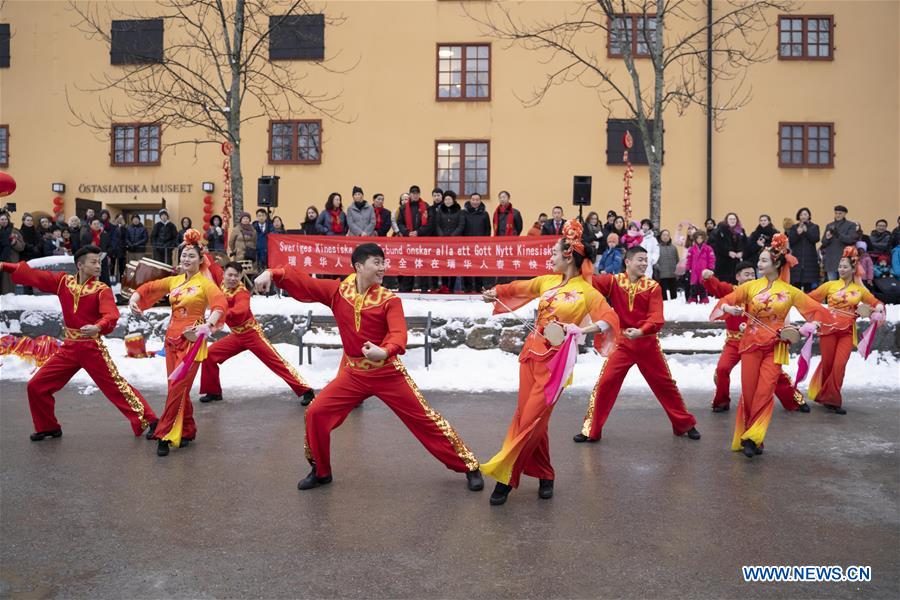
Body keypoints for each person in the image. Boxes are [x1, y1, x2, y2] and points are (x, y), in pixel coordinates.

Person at [254, 242, 484, 492]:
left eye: (383, 262)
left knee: (425, 420)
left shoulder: (389, 300)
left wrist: (384, 351)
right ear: (359, 266)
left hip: (387, 372)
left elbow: (398, 334)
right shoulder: (338, 292)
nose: (382, 267)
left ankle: (469, 466)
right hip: (353, 373)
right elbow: (305, 283)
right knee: (316, 413)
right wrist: (273, 273)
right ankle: (320, 471)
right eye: (377, 262)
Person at [481, 219, 619, 506]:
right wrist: (497, 292)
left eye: (554, 253)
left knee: (531, 420)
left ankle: (506, 476)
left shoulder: (587, 293)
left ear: (568, 256)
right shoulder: (548, 281)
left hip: (556, 365)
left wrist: (581, 330)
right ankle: (545, 473)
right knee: (530, 419)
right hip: (530, 356)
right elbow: (520, 287)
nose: (550, 258)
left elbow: (610, 320)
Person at [2, 246, 158, 440]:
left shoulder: (102, 290)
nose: (98, 266)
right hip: (69, 347)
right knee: (36, 385)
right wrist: (5, 265)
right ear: (80, 265)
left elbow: (111, 314)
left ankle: (151, 421)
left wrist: (98, 327)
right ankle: (47, 426)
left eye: (99, 262)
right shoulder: (63, 283)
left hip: (91, 348)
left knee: (115, 386)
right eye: (93, 262)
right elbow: (35, 276)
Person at [711, 234, 831, 458]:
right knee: (749, 392)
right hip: (749, 345)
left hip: (776, 346)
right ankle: (749, 434)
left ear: (776, 263)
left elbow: (817, 312)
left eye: (764, 261)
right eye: (759, 260)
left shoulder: (790, 291)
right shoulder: (750, 287)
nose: (759, 264)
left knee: (765, 392)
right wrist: (729, 310)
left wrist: (807, 327)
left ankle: (754, 438)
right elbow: (725, 301)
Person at [575, 246, 701, 443]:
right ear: (628, 261)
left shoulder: (652, 287)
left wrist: (642, 331)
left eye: (646, 260)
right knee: (605, 383)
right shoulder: (614, 281)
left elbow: (657, 317)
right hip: (623, 344)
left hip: (647, 345)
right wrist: (581, 255)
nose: (644, 263)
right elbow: (587, 281)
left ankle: (684, 424)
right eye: (640, 259)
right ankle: (590, 429)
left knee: (665, 385)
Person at [130, 231, 227, 456]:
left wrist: (207, 326)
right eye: (183, 255)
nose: (186, 259)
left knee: (177, 387)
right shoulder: (173, 280)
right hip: (171, 340)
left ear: (201, 260)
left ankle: (165, 433)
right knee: (176, 388)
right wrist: (136, 298)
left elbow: (220, 303)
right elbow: (150, 288)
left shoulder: (204, 284)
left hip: (193, 341)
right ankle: (188, 429)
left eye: (191, 256)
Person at [199, 261, 315, 405]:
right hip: (236, 336)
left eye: (236, 276)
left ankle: (306, 390)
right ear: (224, 275)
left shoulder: (242, 293)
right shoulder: (221, 282)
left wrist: (220, 313)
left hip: (252, 334)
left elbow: (240, 310)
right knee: (209, 355)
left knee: (277, 363)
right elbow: (211, 265)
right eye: (230, 275)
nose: (232, 278)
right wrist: (199, 249)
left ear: (241, 276)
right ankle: (213, 392)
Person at [702, 262, 810, 414]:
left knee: (774, 374)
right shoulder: (731, 291)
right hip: (734, 343)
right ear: (737, 277)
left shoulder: (763, 293)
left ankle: (793, 400)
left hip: (757, 342)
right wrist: (708, 278)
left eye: (753, 274)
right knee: (722, 368)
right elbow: (716, 286)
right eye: (747, 275)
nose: (751, 278)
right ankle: (721, 401)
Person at [806, 247, 885, 414]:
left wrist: (877, 309)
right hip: (828, 329)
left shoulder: (859, 290)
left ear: (853, 269)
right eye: (840, 266)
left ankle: (833, 400)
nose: (841, 269)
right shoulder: (829, 285)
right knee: (828, 364)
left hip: (846, 331)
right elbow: (808, 299)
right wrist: (819, 314)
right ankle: (827, 397)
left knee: (840, 364)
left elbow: (875, 301)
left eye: (845, 266)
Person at [396, 185, 431, 292]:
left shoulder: (426, 206)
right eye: (413, 193)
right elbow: (400, 222)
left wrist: (418, 232)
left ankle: (424, 287)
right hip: (408, 240)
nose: (415, 195)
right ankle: (407, 286)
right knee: (409, 263)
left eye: (417, 193)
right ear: (410, 194)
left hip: (422, 240)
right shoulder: (403, 208)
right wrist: (407, 232)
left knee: (423, 263)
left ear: (419, 194)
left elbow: (430, 223)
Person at [462, 192, 491, 293]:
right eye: (473, 199)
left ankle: (479, 286)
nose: (475, 202)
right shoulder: (464, 213)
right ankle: (468, 287)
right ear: (470, 201)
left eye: (477, 200)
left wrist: (486, 243)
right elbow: (462, 227)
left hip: (480, 246)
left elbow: (488, 229)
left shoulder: (484, 214)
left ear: (480, 201)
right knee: (467, 265)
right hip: (467, 245)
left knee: (480, 266)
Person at [787, 207, 821, 292]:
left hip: (810, 259)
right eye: (801, 214)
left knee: (808, 285)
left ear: (809, 216)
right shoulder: (794, 227)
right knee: (796, 284)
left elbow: (816, 239)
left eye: (805, 214)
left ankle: (807, 303)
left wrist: (806, 232)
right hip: (797, 259)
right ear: (798, 216)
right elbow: (791, 241)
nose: (803, 216)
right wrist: (797, 234)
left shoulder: (814, 227)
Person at [820, 204, 857, 281]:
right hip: (830, 258)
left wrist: (838, 234)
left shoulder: (851, 225)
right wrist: (827, 238)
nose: (837, 215)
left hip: (844, 258)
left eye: (840, 213)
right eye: (836, 213)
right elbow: (823, 242)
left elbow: (851, 240)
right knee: (832, 283)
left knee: (843, 284)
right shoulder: (829, 225)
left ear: (844, 214)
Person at [710, 212, 746, 283]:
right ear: (727, 220)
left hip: (736, 262)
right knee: (724, 283)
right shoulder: (720, 231)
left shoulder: (741, 231)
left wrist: (742, 252)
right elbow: (717, 246)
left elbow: (745, 244)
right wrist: (728, 252)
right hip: (724, 263)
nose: (732, 221)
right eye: (730, 219)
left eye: (734, 219)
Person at [685, 230, 715, 303]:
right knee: (694, 285)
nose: (699, 240)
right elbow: (689, 259)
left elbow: (712, 259)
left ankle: (703, 298)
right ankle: (693, 298)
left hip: (704, 270)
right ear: (695, 239)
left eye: (701, 238)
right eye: (697, 238)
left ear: (704, 239)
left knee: (703, 284)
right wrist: (687, 268)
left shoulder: (708, 248)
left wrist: (711, 268)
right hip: (694, 270)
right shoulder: (691, 249)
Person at [81, 217, 111, 285]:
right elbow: (83, 247)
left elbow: (110, 246)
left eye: (98, 224)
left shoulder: (104, 234)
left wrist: (107, 252)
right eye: (94, 224)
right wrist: (91, 248)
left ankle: (105, 292)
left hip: (103, 258)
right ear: (90, 225)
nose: (97, 225)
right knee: (92, 277)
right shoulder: (86, 235)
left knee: (104, 278)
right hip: (91, 259)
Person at [0, 210, 24, 294]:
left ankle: (9, 304)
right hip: (1, 260)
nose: (4, 221)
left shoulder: (14, 231)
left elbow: (21, 247)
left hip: (10, 261)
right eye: (2, 219)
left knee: (9, 287)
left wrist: (14, 242)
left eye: (5, 219)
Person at [655, 229, 679, 300]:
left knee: (674, 297)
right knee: (663, 298)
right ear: (660, 236)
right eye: (664, 235)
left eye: (667, 235)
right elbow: (655, 260)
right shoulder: (656, 247)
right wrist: (657, 268)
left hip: (672, 274)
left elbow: (677, 259)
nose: (666, 237)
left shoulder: (673, 248)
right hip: (662, 274)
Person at [108, 214, 128, 282]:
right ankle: (112, 280)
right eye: (119, 218)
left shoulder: (124, 227)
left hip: (121, 249)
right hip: (113, 249)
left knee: (121, 266)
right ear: (116, 218)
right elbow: (110, 237)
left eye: (122, 218)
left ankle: (121, 281)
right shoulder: (112, 226)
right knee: (112, 266)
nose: (120, 219)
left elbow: (126, 236)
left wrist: (123, 226)